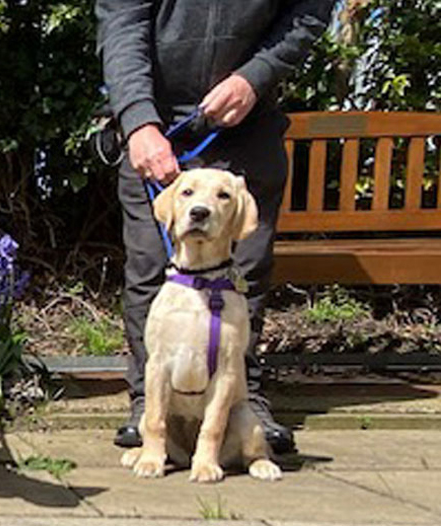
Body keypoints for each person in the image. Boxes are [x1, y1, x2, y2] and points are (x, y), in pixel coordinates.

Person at [97, 0, 334, 453]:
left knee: (246, 270)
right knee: (151, 269)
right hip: (157, 125)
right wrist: (137, 121)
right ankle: (151, 406)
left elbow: (307, 12)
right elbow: (121, 23)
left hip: (248, 127)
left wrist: (255, 76)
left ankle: (246, 400)